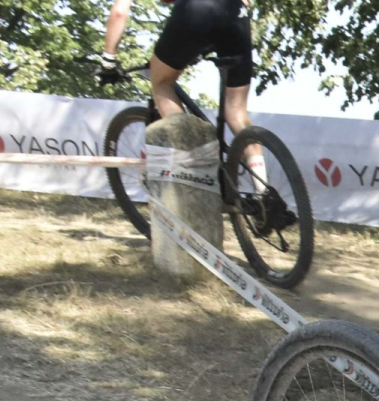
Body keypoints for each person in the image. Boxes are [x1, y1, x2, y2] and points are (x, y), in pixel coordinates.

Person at [98, 0, 286, 229]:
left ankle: (193, 157)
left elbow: (119, 13)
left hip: (196, 10)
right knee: (236, 113)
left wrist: (108, 62)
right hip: (236, 12)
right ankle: (263, 194)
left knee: (161, 82)